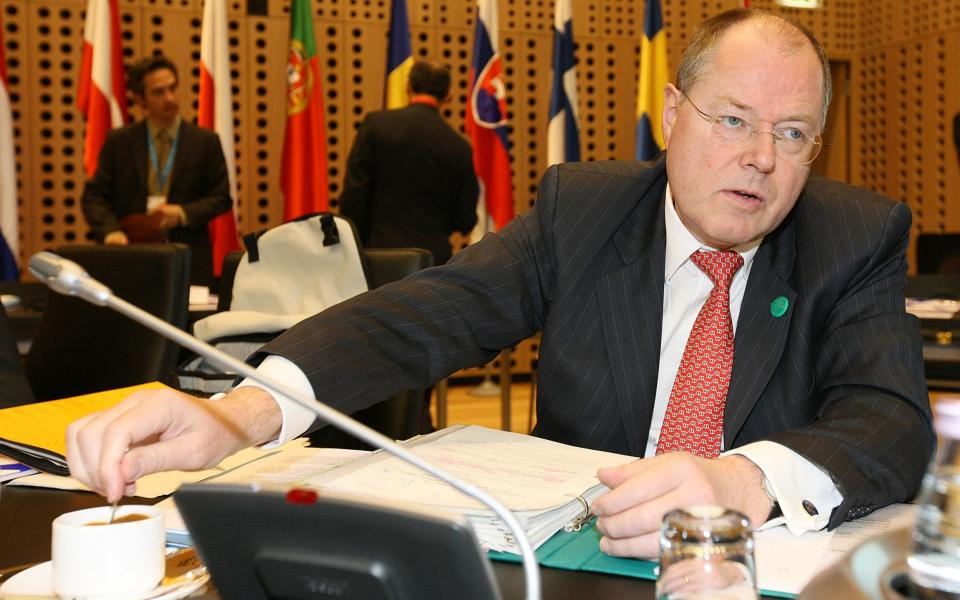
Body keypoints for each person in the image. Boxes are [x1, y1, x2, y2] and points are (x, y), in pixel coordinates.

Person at [66, 9, 932, 560]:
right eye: (734, 120)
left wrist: (741, 482)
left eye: (793, 134)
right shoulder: (582, 213)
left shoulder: (852, 236)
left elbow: (888, 423)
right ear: (672, 114)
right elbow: (418, 318)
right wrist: (237, 414)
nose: (760, 157)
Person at [81, 55, 232, 288]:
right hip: (132, 255)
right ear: (140, 99)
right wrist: (111, 232)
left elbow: (221, 198)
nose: (170, 99)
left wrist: (182, 213)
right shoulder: (120, 142)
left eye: (172, 88)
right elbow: (94, 197)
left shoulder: (205, 141)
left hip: (189, 258)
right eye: (158, 92)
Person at [339, 60, 478, 265]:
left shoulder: (375, 126)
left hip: (379, 256)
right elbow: (465, 219)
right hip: (433, 260)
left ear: (408, 87)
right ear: (448, 95)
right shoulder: (459, 146)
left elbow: (354, 197)